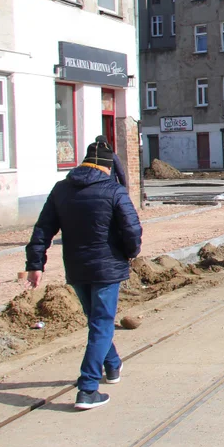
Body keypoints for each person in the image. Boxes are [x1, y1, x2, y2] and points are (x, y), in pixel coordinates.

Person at [25, 140, 142, 410]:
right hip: (107, 267)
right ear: (107, 166)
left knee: (97, 322)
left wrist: (35, 264)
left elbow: (43, 229)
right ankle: (88, 388)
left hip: (76, 267)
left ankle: (112, 366)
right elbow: (132, 230)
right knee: (101, 324)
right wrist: (130, 253)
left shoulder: (61, 189)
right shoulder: (113, 191)